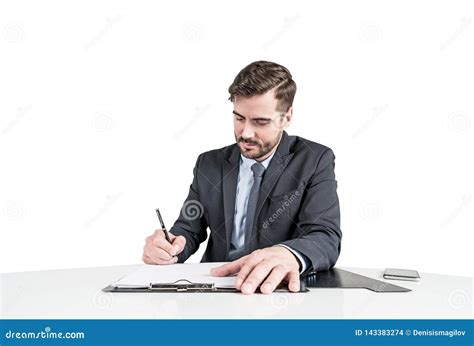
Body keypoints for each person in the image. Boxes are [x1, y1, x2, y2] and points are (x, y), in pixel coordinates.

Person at [142, 61, 342, 294]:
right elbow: (188, 228)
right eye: (239, 118)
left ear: (286, 118)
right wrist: (169, 246)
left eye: (260, 122)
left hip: (277, 291)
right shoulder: (209, 164)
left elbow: (325, 236)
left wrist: (288, 254)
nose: (245, 133)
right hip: (214, 289)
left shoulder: (314, 160)